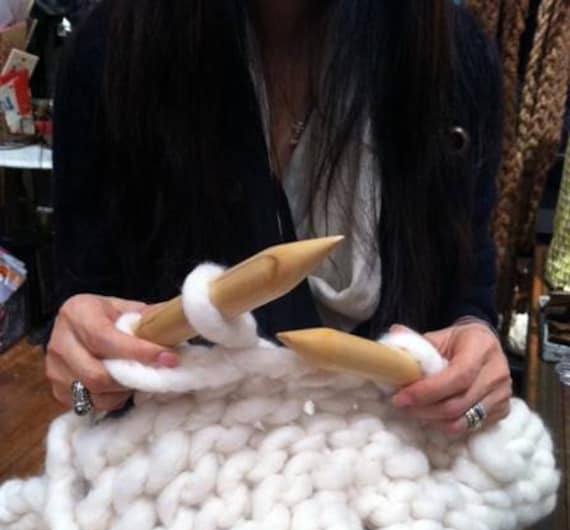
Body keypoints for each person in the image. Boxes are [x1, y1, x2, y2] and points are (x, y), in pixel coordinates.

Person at [46, 0, 512, 435]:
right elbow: (87, 302)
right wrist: (86, 360)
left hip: (396, 491)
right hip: (184, 492)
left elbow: (467, 291)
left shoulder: (450, 57)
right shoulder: (111, 54)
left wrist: (474, 355)